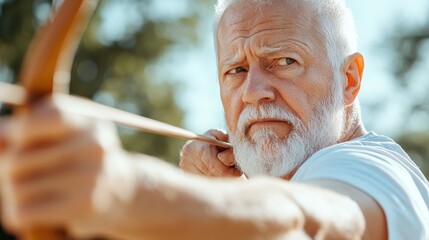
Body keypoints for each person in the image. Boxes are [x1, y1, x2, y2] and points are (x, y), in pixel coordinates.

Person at [0, 0, 428, 239]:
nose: (253, 91)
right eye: (236, 70)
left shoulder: (369, 167)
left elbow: (317, 219)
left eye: (284, 60)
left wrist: (125, 191)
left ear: (349, 79)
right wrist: (218, 203)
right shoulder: (275, 186)